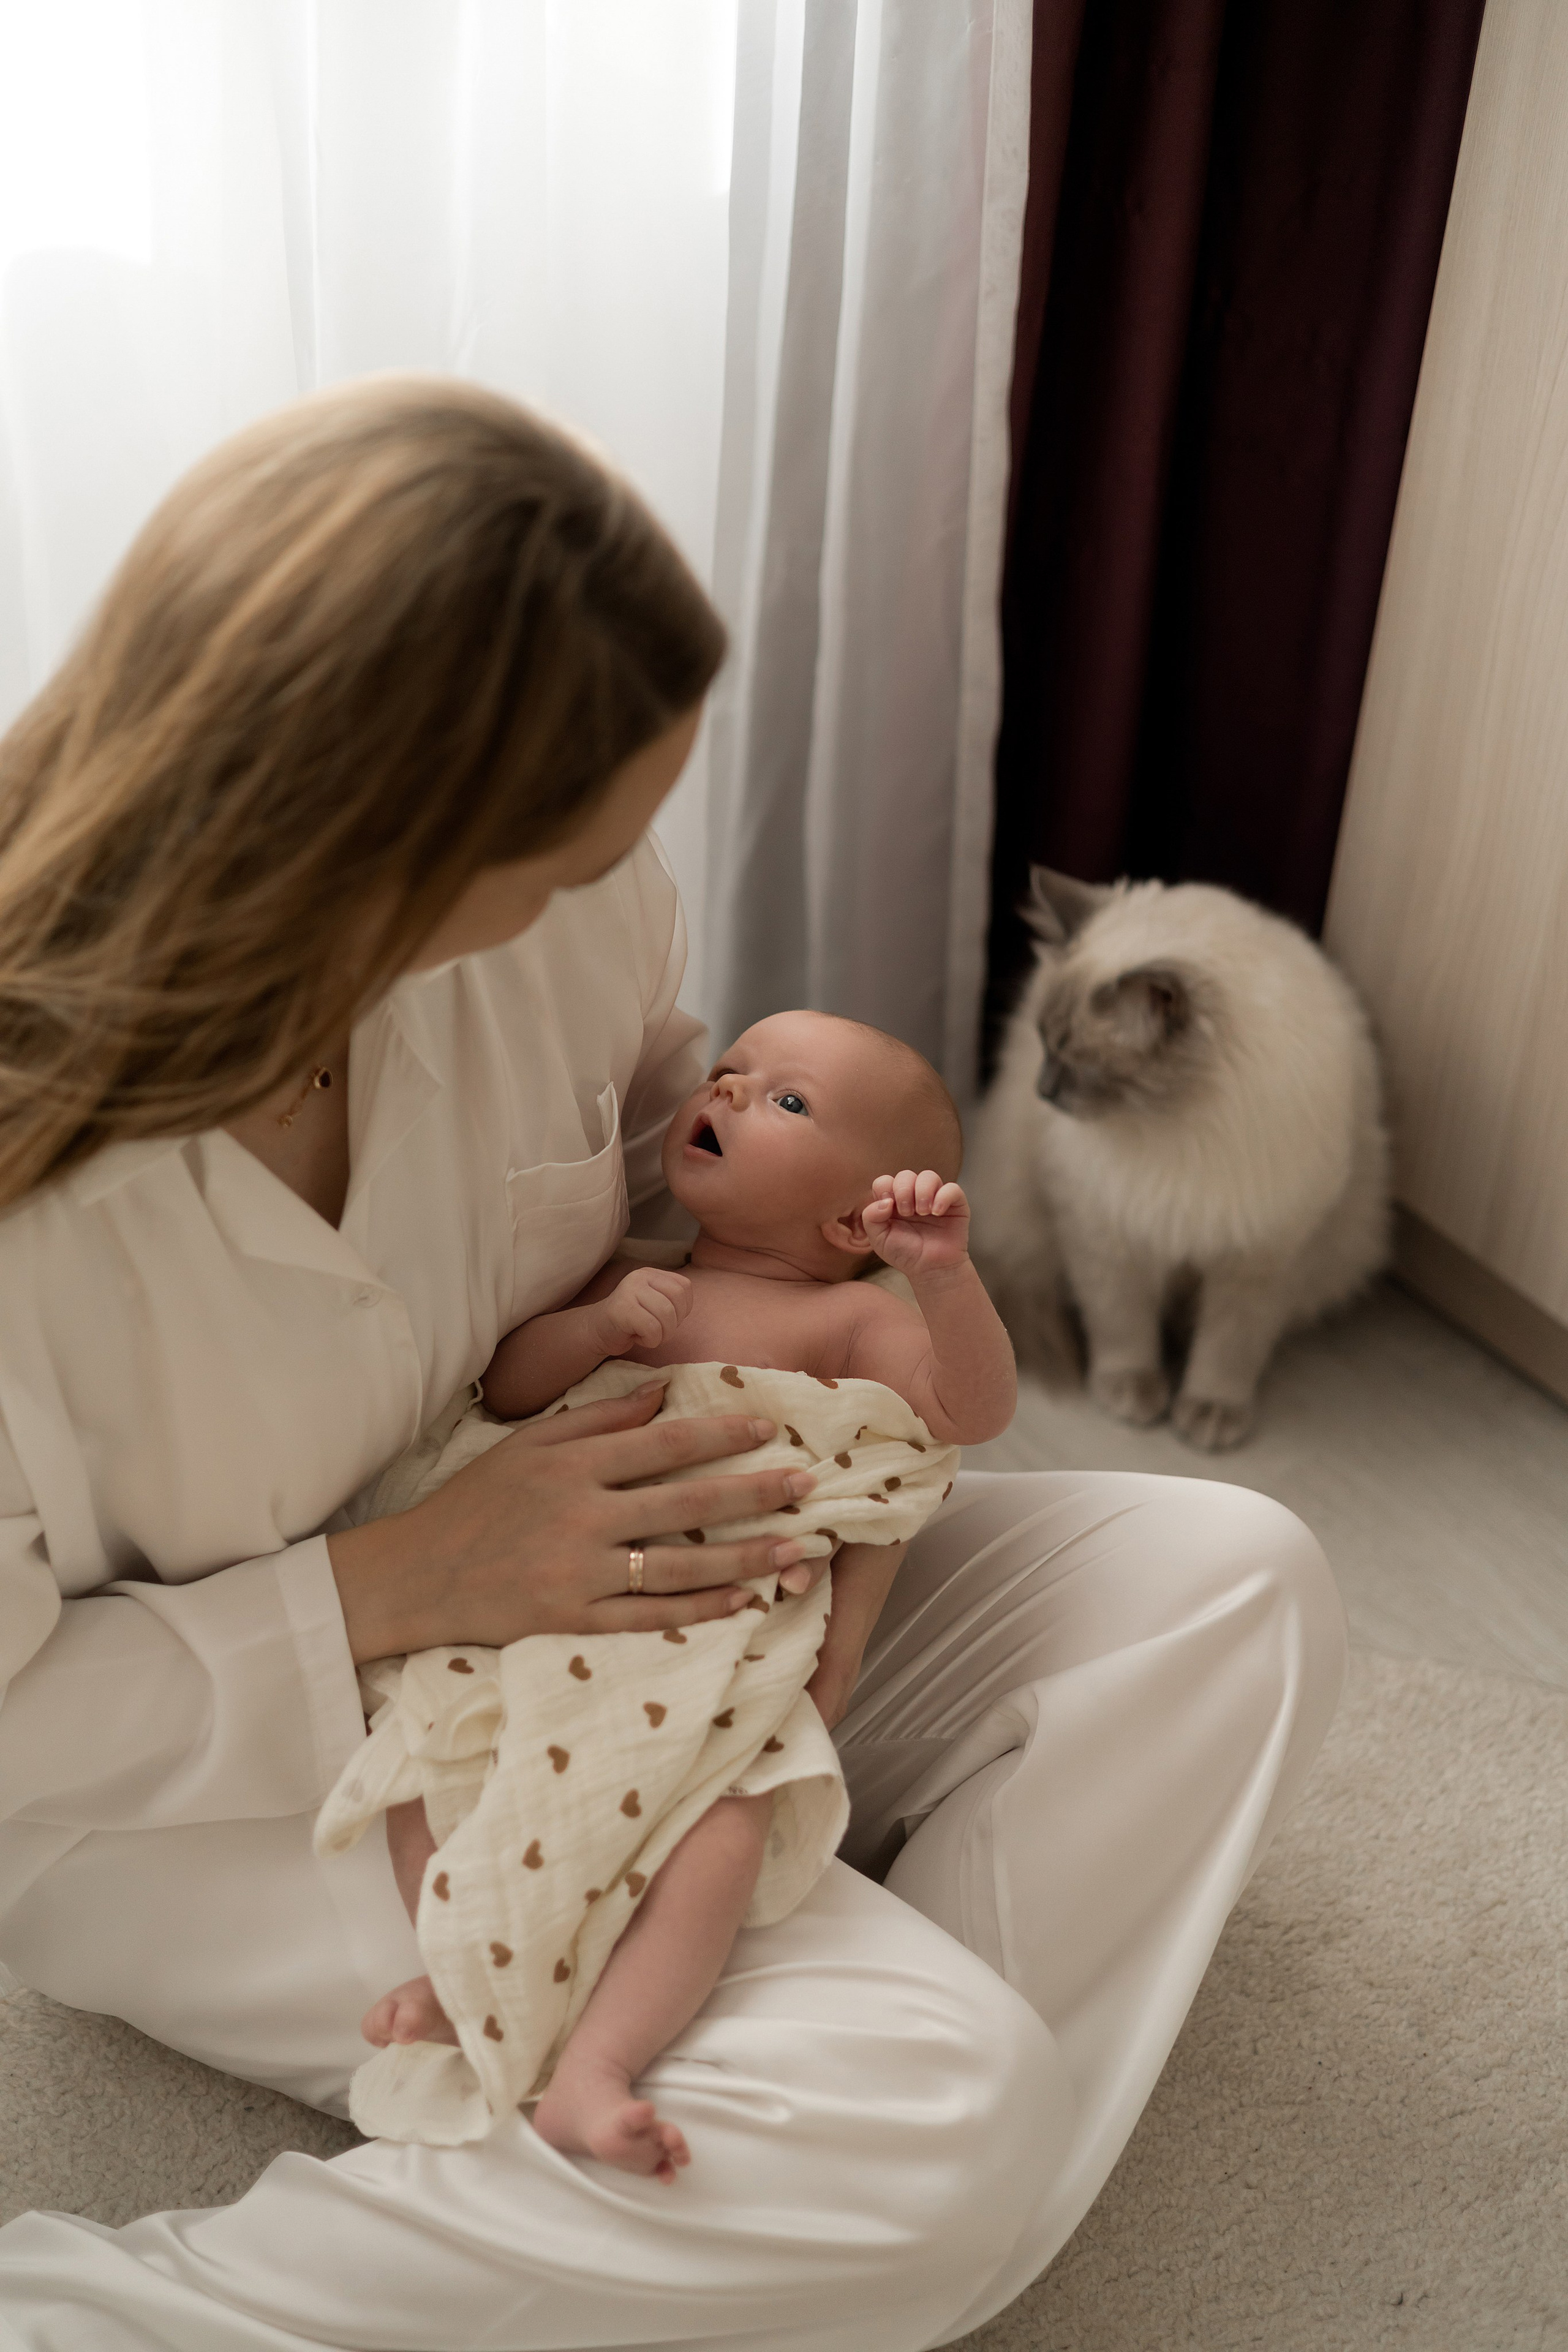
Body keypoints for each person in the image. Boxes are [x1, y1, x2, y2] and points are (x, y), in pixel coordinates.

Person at [0, 377, 1347, 2352]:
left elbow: (668, 1180)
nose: (608, 899)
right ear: (342, 844)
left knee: (1240, 1584)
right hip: (238, 1771)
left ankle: (732, 2092)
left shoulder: (564, 921)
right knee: (940, 2129)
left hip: (653, 1608)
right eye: (557, 863)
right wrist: (416, 1577)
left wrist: (845, 1368)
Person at [345, 1009, 1013, 2177]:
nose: (735, 1092)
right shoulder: (634, 1276)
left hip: (706, 1638)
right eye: (731, 1073)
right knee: (430, 1754)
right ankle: (463, 1971)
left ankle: (598, 2064)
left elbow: (967, 1413)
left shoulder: (850, 1320)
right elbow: (508, 1393)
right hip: (541, 1607)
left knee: (725, 1825)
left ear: (854, 1219)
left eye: (789, 1101)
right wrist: (598, 1327)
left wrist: (945, 1285)